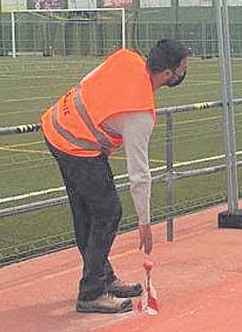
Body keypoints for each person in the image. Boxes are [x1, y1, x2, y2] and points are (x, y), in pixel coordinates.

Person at [42, 38, 191, 313]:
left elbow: (87, 82)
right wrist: (144, 223)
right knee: (108, 212)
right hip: (77, 145)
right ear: (168, 74)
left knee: (87, 213)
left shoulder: (127, 58)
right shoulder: (139, 113)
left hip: (58, 128)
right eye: (182, 68)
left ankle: (101, 277)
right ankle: (91, 293)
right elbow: (139, 174)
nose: (184, 73)